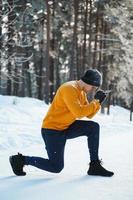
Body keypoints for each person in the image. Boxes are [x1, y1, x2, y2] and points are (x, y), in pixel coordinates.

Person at [9, 69, 114, 177]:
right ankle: (20, 160)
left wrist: (98, 103)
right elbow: (78, 113)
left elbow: (88, 115)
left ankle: (94, 165)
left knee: (93, 127)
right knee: (56, 167)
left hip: (66, 127)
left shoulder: (81, 92)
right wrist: (95, 102)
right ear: (89, 82)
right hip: (52, 130)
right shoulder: (69, 88)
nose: (93, 90)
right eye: (93, 87)